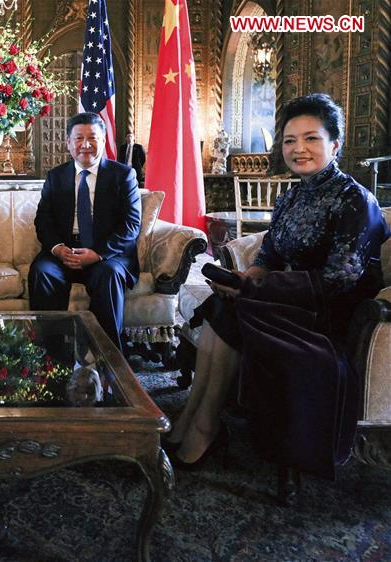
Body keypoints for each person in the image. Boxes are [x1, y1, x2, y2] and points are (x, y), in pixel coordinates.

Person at [164, 93, 389, 499]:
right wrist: (243, 277)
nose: (298, 149)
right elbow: (267, 257)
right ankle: (193, 418)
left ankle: (204, 428)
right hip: (286, 303)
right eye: (289, 140)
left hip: (331, 315)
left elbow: (339, 280)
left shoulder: (355, 199)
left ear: (334, 144)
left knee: (240, 309)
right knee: (223, 306)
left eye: (311, 139)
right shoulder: (289, 196)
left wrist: (255, 287)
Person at [28, 112, 141, 350]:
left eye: (93, 137)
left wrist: (97, 253)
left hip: (106, 255)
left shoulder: (123, 175)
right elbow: (43, 221)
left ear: (104, 139)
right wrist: (58, 250)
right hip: (64, 252)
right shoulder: (56, 176)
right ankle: (51, 354)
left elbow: (130, 225)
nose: (86, 144)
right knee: (42, 272)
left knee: (108, 275)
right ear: (68, 143)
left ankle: (109, 356)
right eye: (79, 138)